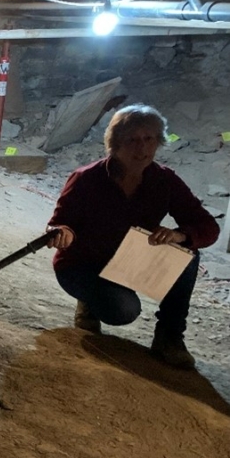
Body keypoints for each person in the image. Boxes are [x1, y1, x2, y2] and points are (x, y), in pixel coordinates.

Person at [46, 104, 219, 368]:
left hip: (128, 262)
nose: (142, 148)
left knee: (188, 254)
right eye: (132, 140)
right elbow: (59, 223)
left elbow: (207, 226)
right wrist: (62, 233)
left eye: (149, 139)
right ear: (115, 143)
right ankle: (89, 302)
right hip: (83, 265)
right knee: (123, 311)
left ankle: (169, 337)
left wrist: (180, 235)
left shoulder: (164, 180)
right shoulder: (86, 178)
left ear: (158, 141)